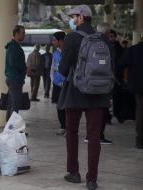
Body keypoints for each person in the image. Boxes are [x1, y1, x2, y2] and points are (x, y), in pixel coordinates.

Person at [57, 5, 111, 190]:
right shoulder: (102, 38)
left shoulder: (71, 38)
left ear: (80, 18)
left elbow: (63, 70)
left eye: (73, 17)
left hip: (75, 92)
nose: (72, 20)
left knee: (71, 131)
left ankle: (73, 172)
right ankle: (92, 179)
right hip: (98, 94)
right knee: (94, 135)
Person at [120, 35, 143, 149]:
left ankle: (140, 140)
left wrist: (126, 78)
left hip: (138, 85)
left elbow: (122, 64)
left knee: (140, 111)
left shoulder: (133, 49)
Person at [5, 25, 27, 121]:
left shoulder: (15, 46)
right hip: (15, 79)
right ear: (17, 34)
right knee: (15, 104)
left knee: (12, 104)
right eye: (23, 33)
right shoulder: (13, 47)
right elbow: (13, 63)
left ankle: (9, 129)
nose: (24, 35)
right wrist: (25, 68)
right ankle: (11, 130)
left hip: (15, 78)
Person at [51, 31, 66, 136]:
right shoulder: (55, 53)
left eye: (54, 40)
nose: (53, 42)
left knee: (68, 106)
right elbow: (53, 68)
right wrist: (53, 79)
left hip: (67, 83)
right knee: (59, 106)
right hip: (57, 84)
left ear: (60, 41)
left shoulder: (69, 52)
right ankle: (63, 126)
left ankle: (69, 127)